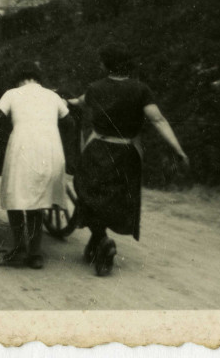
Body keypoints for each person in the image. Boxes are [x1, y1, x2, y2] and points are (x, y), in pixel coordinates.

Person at [68, 42, 189, 277]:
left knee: (86, 192)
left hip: (98, 150)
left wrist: (60, 100)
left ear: (105, 65)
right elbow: (159, 120)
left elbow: (78, 102)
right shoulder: (141, 90)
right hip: (128, 154)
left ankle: (102, 240)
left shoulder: (95, 88)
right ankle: (97, 242)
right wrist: (178, 149)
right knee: (116, 199)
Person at [0, 61, 71, 269]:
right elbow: (69, 122)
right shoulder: (52, 96)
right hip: (51, 152)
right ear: (38, 77)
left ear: (19, 78)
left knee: (15, 199)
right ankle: (35, 254)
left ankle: (19, 248)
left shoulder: (12, 94)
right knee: (36, 202)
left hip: (23, 150)